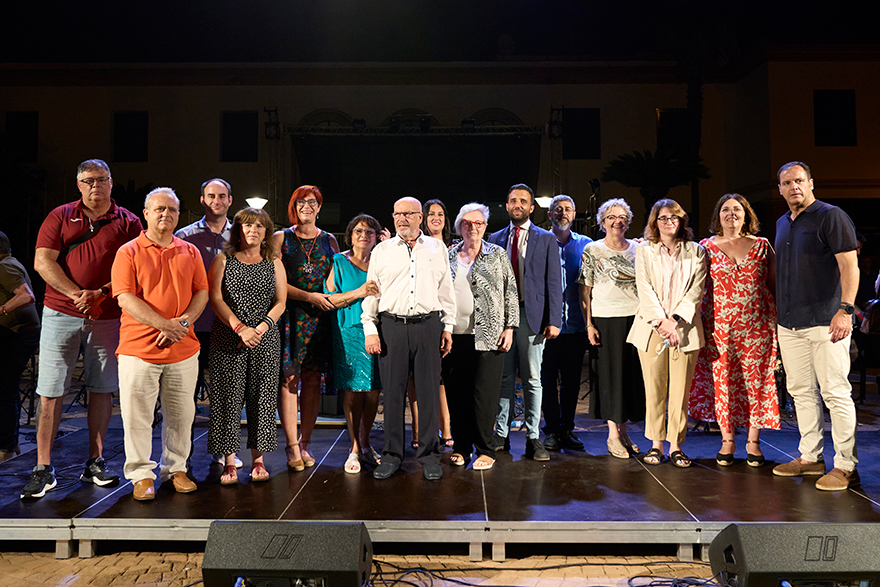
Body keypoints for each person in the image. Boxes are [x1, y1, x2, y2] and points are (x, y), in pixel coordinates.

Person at [22, 159, 142, 500]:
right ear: (79, 185)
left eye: (101, 179)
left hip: (107, 316)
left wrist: (100, 293)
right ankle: (43, 468)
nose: (95, 186)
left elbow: (135, 267)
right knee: (50, 391)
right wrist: (77, 294)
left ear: (111, 182)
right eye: (88, 180)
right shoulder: (60, 216)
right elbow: (42, 261)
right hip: (60, 313)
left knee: (102, 389)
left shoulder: (128, 221)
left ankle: (96, 462)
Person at [111, 187, 209, 501]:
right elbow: (125, 297)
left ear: (179, 215)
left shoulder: (190, 251)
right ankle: (141, 474)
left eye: (172, 209)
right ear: (146, 214)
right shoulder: (128, 252)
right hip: (139, 348)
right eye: (159, 209)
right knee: (137, 416)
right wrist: (164, 325)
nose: (166, 214)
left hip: (183, 348)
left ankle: (175, 469)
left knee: (181, 415)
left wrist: (182, 325)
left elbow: (202, 292)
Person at [772, 161, 860, 491]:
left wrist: (845, 310)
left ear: (811, 183)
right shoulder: (782, 222)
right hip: (790, 323)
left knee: (835, 392)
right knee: (801, 393)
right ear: (780, 189)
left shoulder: (830, 216)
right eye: (787, 183)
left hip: (826, 321)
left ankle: (846, 465)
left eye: (799, 180)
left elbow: (849, 266)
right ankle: (810, 457)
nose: (793, 187)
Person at [362, 197, 456, 480]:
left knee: (428, 393)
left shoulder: (437, 248)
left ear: (419, 217)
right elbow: (372, 291)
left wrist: (448, 327)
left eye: (407, 214)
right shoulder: (382, 251)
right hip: (392, 326)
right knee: (393, 393)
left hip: (428, 326)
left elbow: (446, 290)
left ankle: (429, 456)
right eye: (397, 214)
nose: (401, 219)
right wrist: (370, 329)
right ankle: (392, 455)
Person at [688, 194, 780, 467]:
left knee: (757, 383)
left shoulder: (762, 245)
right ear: (718, 216)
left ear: (746, 214)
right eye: (725, 209)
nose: (731, 214)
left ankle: (753, 442)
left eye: (737, 209)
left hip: (757, 327)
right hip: (718, 328)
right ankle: (727, 439)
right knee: (723, 382)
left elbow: (774, 285)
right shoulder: (705, 247)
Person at [207, 207, 286, 485]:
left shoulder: (274, 261)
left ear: (266, 232)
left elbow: (281, 302)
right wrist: (240, 328)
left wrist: (260, 328)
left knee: (262, 399)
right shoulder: (223, 260)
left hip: (265, 339)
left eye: (259, 226)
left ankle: (258, 461)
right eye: (247, 225)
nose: (253, 230)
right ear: (238, 230)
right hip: (229, 337)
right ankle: (229, 462)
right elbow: (216, 299)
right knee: (227, 399)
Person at [627, 199, 707, 468]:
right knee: (654, 390)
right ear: (655, 222)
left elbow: (696, 291)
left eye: (674, 217)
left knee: (680, 392)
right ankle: (656, 444)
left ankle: (676, 445)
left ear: (682, 220)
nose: (669, 222)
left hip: (685, 328)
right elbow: (644, 288)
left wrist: (674, 321)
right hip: (652, 328)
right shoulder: (644, 250)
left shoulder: (696, 251)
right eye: (663, 218)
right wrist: (661, 322)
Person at [488, 184, 561, 461]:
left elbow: (554, 282)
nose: (517, 204)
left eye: (522, 201)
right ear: (507, 206)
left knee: (532, 378)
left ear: (531, 207)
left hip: (533, 318)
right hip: (501, 319)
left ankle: (532, 437)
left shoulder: (547, 239)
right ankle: (501, 433)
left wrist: (554, 320)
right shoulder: (494, 238)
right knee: (504, 378)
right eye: (512, 200)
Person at [442, 203, 518, 471]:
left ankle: (485, 449)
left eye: (478, 223)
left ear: (485, 226)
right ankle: (461, 447)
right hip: (454, 336)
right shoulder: (449, 256)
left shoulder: (497, 254)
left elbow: (510, 291)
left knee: (484, 395)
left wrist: (510, 327)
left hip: (490, 336)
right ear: (459, 227)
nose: (472, 227)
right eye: (467, 223)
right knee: (457, 394)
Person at [174, 178, 239, 469]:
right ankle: (182, 457)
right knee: (185, 395)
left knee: (225, 394)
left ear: (230, 200)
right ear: (203, 200)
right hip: (192, 326)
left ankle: (224, 453)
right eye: (211, 196)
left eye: (222, 196)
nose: (217, 201)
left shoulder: (240, 236)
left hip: (226, 325)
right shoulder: (184, 236)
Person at [274, 186, 339, 470]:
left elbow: (334, 280)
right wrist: (309, 296)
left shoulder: (329, 240)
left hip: (320, 318)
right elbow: (276, 282)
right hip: (289, 315)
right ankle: (291, 446)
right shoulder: (281, 238)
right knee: (289, 380)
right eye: (301, 202)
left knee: (312, 380)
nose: (307, 206)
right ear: (294, 206)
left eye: (313, 202)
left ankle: (306, 443)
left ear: (319, 207)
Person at [578, 199, 645, 459]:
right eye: (611, 217)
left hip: (635, 319)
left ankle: (624, 432)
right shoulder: (592, 249)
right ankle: (612, 435)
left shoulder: (639, 249)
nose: (617, 221)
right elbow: (585, 291)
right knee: (610, 377)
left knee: (629, 377)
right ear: (602, 222)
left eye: (622, 217)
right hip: (606, 320)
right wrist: (589, 324)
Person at [324, 214, 383, 474]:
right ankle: (354, 447)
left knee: (373, 391)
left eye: (370, 232)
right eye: (359, 231)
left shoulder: (382, 261)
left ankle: (366, 443)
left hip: (379, 331)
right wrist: (359, 292)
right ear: (350, 235)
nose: (364, 236)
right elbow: (329, 300)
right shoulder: (338, 261)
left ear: (377, 237)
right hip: (349, 331)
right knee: (353, 390)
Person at [541, 195, 591, 451]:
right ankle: (551, 430)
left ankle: (567, 429)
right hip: (547, 326)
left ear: (574, 214)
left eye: (567, 209)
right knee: (547, 381)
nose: (562, 213)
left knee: (571, 382)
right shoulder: (540, 242)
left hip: (576, 325)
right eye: (557, 209)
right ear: (549, 214)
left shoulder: (586, 245)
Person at [0, 231, 41, 462]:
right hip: (17, 334)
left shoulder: (5, 266)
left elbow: (26, 296)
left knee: (5, 390)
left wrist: (1, 310)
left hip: (18, 335)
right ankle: (10, 444)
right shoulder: (9, 264)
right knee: (7, 388)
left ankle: (6, 447)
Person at [419, 198, 454, 448]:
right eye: (431, 214)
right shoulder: (418, 247)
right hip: (425, 319)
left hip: (450, 320)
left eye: (440, 214)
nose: (436, 218)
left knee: (445, 377)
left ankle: (447, 428)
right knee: (422, 378)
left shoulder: (455, 248)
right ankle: (419, 432)